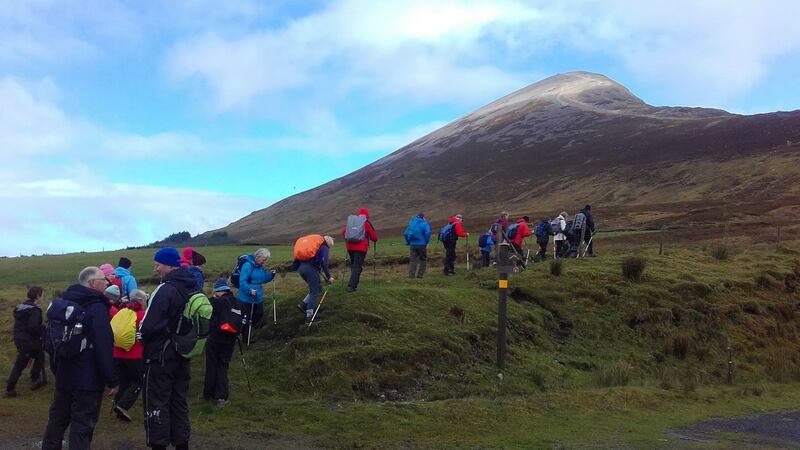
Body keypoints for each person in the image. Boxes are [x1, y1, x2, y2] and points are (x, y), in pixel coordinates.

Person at [42, 267, 118, 450]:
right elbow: (103, 345)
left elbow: (53, 343)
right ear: (92, 283)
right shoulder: (97, 306)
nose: (107, 283)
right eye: (104, 279)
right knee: (82, 427)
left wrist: (57, 371)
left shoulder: (65, 304)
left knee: (56, 422)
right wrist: (112, 379)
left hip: (64, 375)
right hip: (88, 380)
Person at [139, 247, 196, 450]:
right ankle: (182, 445)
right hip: (183, 353)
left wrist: (141, 338)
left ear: (170, 265)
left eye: (158, 264)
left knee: (157, 403)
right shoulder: (192, 287)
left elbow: (148, 325)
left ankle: (159, 445)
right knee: (179, 402)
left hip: (160, 356)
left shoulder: (165, 289)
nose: (156, 269)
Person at [109, 289, 147, 422]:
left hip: (118, 352)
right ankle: (123, 406)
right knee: (138, 381)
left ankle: (118, 404)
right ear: (141, 301)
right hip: (135, 354)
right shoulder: (142, 315)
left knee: (123, 380)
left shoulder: (121, 311)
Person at [4, 286, 46, 398]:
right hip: (29, 340)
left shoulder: (20, 306)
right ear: (37, 296)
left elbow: (20, 321)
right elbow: (33, 327)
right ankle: (10, 389)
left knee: (39, 355)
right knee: (21, 363)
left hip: (19, 338)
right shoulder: (35, 310)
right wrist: (42, 329)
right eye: (42, 295)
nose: (43, 298)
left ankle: (35, 379)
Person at [204, 279, 239, 406]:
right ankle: (221, 396)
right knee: (223, 365)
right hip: (230, 339)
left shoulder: (216, 302)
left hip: (215, 337)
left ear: (218, 291)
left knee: (212, 364)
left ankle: (209, 394)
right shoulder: (236, 302)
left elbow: (208, 311)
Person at [235, 248, 276, 339]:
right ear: (258, 256)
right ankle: (245, 337)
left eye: (266, 260)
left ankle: (250, 331)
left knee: (258, 314)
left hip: (258, 297)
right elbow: (242, 282)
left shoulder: (260, 267)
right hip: (245, 298)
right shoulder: (247, 266)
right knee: (246, 318)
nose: (264, 262)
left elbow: (262, 279)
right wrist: (249, 290)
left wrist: (270, 275)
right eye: (264, 259)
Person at [294, 236, 335, 324]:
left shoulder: (316, 247)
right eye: (330, 246)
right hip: (310, 270)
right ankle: (309, 318)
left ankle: (303, 305)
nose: (329, 248)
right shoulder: (324, 247)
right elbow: (324, 263)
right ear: (329, 243)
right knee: (315, 292)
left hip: (302, 268)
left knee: (318, 288)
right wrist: (329, 277)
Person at [342, 207, 378, 292]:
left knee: (354, 265)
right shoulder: (366, 223)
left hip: (350, 247)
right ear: (367, 215)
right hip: (361, 248)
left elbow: (344, 232)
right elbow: (375, 238)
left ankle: (353, 283)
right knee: (357, 266)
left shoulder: (352, 222)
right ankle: (352, 286)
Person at [403, 212, 431, 278]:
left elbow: (405, 233)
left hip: (413, 244)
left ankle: (411, 275)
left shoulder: (412, 223)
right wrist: (426, 242)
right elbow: (428, 232)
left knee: (413, 260)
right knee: (423, 259)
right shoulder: (424, 223)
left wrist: (408, 242)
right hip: (422, 244)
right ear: (423, 217)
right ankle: (420, 275)